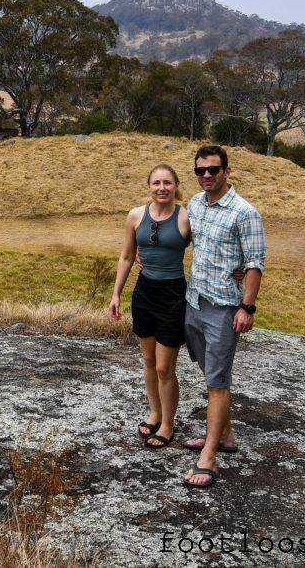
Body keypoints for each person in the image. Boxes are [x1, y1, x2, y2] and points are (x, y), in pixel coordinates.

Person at [182, 145, 266, 489]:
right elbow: (185, 240)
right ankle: (226, 434)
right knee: (207, 370)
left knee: (217, 381)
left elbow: (255, 262)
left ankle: (209, 458)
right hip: (194, 301)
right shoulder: (195, 204)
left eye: (213, 170)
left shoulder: (245, 213)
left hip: (224, 308)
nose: (206, 176)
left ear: (227, 172)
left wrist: (246, 307)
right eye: (200, 170)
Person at [109, 164, 189, 449]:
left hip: (174, 295)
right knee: (148, 361)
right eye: (156, 183)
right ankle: (155, 413)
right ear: (149, 186)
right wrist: (116, 293)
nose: (162, 188)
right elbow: (127, 256)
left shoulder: (186, 218)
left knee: (165, 367)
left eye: (167, 183)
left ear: (176, 185)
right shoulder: (135, 215)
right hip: (144, 293)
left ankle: (168, 424)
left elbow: (207, 250)